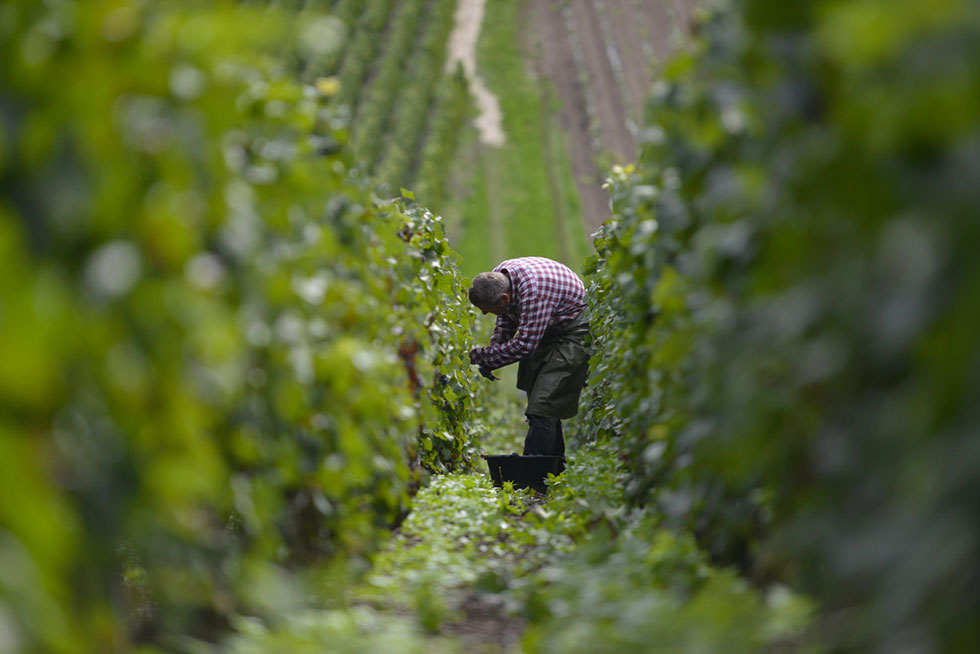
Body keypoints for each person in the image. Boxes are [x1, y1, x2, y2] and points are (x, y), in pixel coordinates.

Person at [468, 257, 590, 471]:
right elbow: (505, 321)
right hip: (546, 327)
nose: (485, 313)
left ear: (504, 298)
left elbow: (524, 345)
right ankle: (553, 470)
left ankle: (532, 475)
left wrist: (481, 356)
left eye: (487, 309)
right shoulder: (499, 277)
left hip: (572, 331)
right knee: (542, 403)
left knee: (543, 404)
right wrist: (492, 354)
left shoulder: (533, 293)